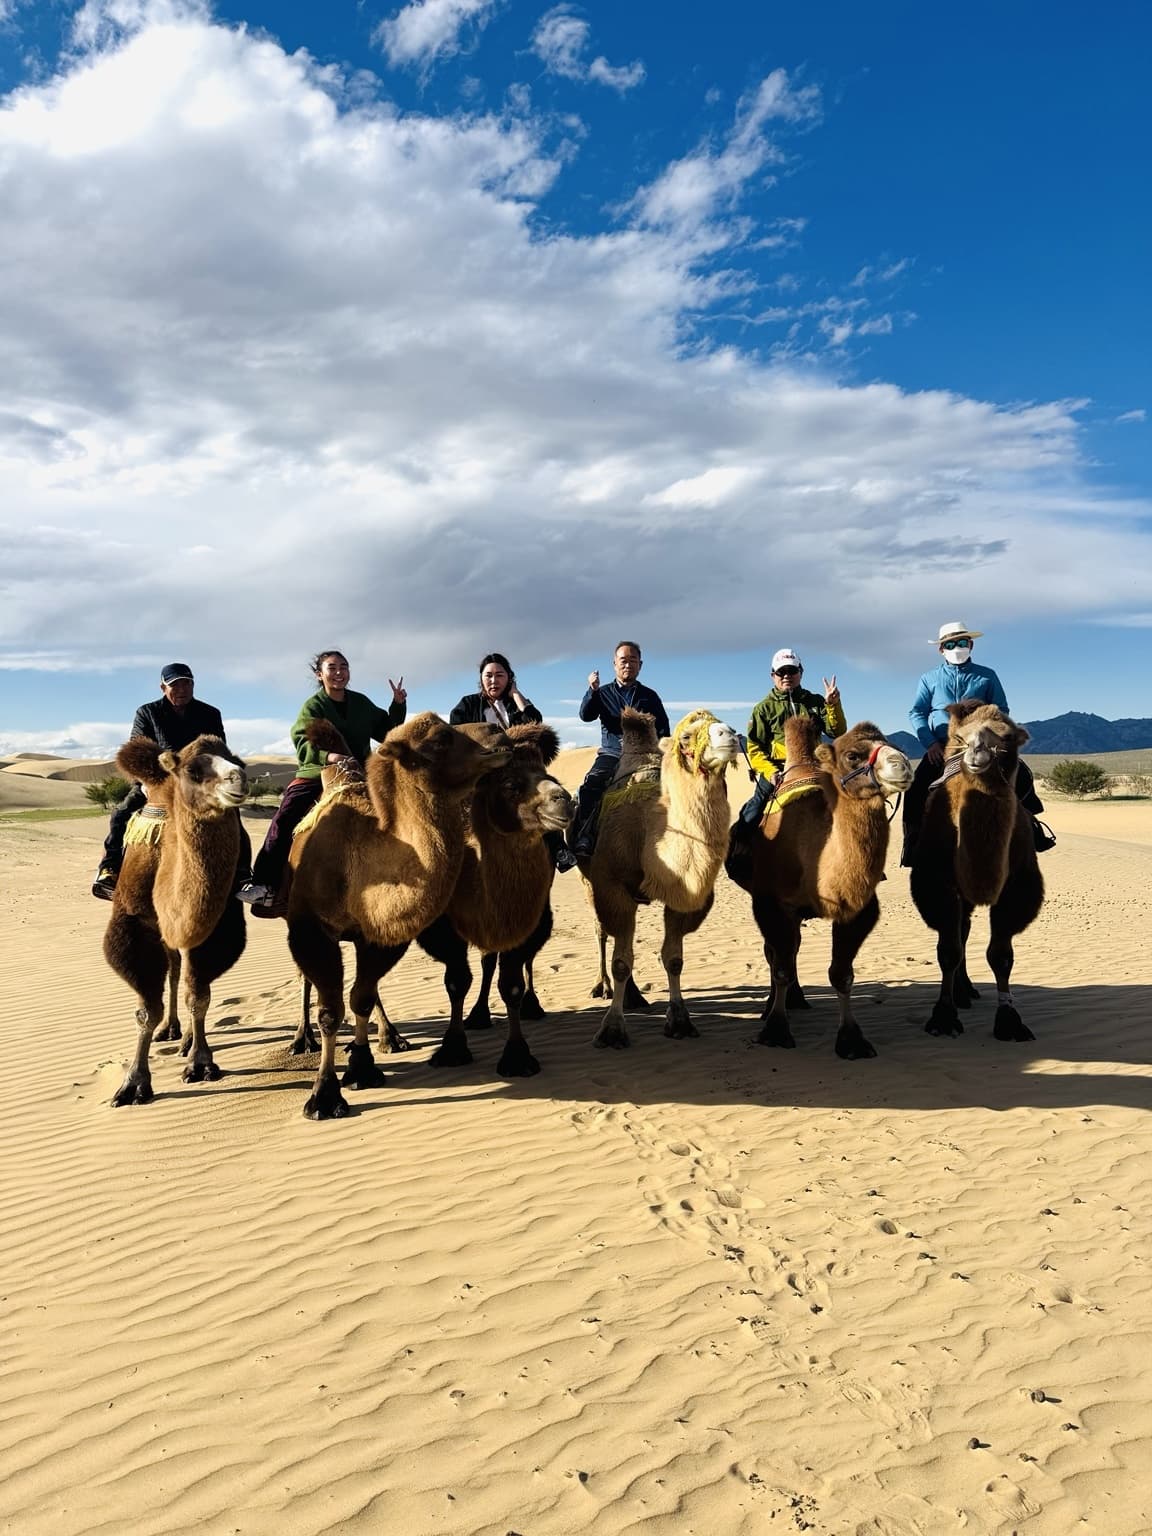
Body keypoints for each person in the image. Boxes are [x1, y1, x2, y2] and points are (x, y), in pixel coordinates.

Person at [238, 650, 407, 909]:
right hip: (317, 773)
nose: (339, 672)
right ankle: (265, 885)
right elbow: (302, 740)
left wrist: (397, 705)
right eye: (332, 668)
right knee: (284, 820)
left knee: (399, 812)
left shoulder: (361, 703)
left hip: (359, 772)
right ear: (320, 674)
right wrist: (329, 756)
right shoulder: (313, 706)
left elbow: (386, 731)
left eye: (343, 667)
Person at [901, 620, 1044, 866]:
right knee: (915, 789)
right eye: (951, 643)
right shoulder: (929, 679)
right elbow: (917, 713)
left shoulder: (987, 676)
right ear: (941, 649)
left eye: (962, 642)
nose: (957, 647)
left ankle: (1032, 831)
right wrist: (930, 744)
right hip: (942, 746)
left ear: (971, 645)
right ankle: (913, 844)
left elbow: (1002, 708)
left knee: (1021, 776)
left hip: (983, 743)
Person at [91, 663, 229, 900]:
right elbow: (138, 748)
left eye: (186, 683)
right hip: (156, 780)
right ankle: (109, 869)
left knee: (232, 816)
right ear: (163, 687)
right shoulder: (148, 712)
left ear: (193, 684)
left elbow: (219, 750)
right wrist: (144, 780)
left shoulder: (210, 713)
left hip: (198, 783)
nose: (182, 689)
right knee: (120, 814)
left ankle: (243, 875)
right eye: (175, 684)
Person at [570, 641, 670, 858]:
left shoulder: (650, 696)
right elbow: (585, 716)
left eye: (633, 660)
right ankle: (584, 837)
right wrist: (592, 691)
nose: (628, 665)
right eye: (623, 660)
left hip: (646, 755)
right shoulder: (602, 693)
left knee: (671, 786)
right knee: (592, 784)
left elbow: (663, 729)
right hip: (612, 753)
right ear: (614, 664)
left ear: (640, 665)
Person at [736, 648, 847, 830]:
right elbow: (755, 748)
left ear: (800, 673)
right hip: (778, 769)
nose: (786, 675)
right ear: (773, 675)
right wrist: (770, 772)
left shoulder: (816, 701)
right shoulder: (763, 709)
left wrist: (832, 705)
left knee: (850, 802)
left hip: (816, 766)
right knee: (754, 811)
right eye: (781, 671)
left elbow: (837, 731)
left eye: (792, 670)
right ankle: (738, 851)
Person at [449, 654, 543, 728]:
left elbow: (536, 723)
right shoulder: (468, 704)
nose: (494, 681)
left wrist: (515, 693)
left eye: (499, 675)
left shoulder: (516, 704)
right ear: (481, 679)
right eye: (488, 676)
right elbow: (455, 731)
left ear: (509, 677)